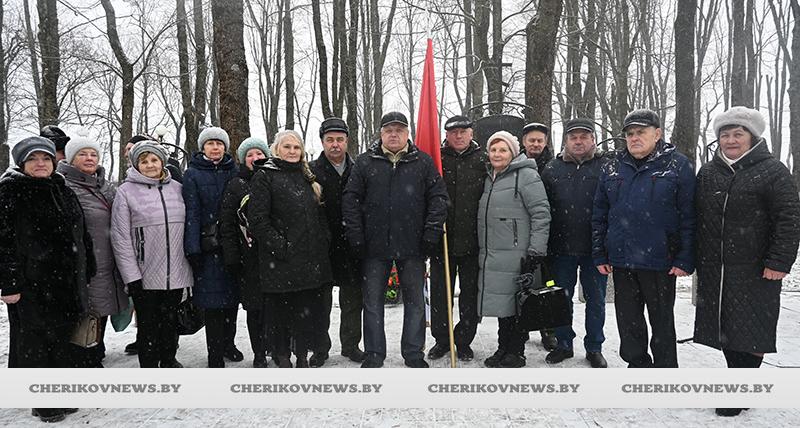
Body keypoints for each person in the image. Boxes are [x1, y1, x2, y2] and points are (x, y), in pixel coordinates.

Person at [694, 107, 800, 417]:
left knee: (754, 329)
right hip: (717, 268)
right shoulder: (709, 172)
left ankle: (741, 388)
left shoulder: (773, 171)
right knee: (727, 327)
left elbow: (789, 219)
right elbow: (696, 217)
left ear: (753, 137)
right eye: (724, 135)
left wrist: (779, 261)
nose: (730, 140)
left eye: (738, 134)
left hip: (757, 267)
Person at [342, 111, 448, 368]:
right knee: (373, 303)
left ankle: (413, 353)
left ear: (407, 133)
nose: (393, 134)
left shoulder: (422, 162)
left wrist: (431, 233)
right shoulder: (366, 163)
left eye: (399, 129)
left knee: (414, 303)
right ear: (381, 133)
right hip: (373, 247)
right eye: (389, 129)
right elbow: (351, 200)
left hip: (413, 246)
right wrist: (356, 235)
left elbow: (438, 199)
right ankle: (374, 353)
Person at [592, 109, 696, 368]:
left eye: (641, 132)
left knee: (661, 320)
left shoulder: (677, 165)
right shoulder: (612, 165)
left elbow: (690, 215)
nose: (635, 138)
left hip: (661, 259)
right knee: (629, 319)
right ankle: (637, 364)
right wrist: (599, 253)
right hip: (622, 258)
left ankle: (664, 370)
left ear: (657, 134)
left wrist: (685, 257)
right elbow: (599, 213)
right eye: (630, 134)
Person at [0, 136, 92, 422]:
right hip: (32, 285)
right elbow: (3, 243)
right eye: (33, 159)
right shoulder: (11, 192)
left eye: (45, 158)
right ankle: (42, 401)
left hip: (65, 282)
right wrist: (9, 282)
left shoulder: (63, 189)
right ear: (22, 163)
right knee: (35, 344)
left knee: (62, 339)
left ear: (54, 162)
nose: (40, 164)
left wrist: (88, 266)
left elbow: (81, 232)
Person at [248, 130, 332, 368]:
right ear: (277, 150)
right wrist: (281, 247)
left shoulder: (307, 177)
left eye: (296, 147)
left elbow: (319, 215)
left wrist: (322, 240)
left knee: (304, 312)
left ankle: (302, 354)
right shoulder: (265, 176)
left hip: (308, 259)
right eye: (287, 147)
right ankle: (282, 354)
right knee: (280, 314)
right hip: (280, 261)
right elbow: (258, 221)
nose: (292, 151)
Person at [111, 141, 193, 368]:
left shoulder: (177, 188)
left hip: (176, 271)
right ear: (136, 165)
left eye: (154, 160)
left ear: (162, 162)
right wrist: (131, 276)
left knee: (169, 321)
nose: (149, 165)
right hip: (144, 273)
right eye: (144, 161)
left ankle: (168, 359)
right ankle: (149, 365)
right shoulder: (125, 192)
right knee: (148, 324)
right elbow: (120, 237)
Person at [478, 131, 551, 368]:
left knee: (517, 305)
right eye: (494, 150)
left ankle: (516, 351)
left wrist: (535, 251)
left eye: (503, 150)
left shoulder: (526, 175)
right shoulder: (491, 177)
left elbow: (541, 213)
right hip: (494, 253)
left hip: (519, 254)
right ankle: (503, 347)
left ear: (513, 152)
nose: (497, 154)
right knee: (503, 306)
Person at [540, 118, 608, 368]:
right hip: (561, 248)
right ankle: (564, 343)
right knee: (561, 300)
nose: (578, 141)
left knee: (596, 300)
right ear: (566, 140)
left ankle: (594, 347)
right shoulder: (552, 169)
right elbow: (542, 208)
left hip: (596, 249)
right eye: (573, 137)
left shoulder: (606, 167)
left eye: (584, 136)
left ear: (593, 139)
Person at [57, 136, 129, 367]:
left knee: (102, 305)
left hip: (109, 259)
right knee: (88, 309)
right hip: (84, 261)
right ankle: (84, 355)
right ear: (70, 158)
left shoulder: (105, 186)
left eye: (93, 154)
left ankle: (95, 348)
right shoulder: (64, 186)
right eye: (82, 154)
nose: (89, 158)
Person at [427, 115, 486, 362]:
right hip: (443, 240)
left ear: (471, 134)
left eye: (463, 132)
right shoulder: (436, 160)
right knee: (441, 295)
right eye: (453, 132)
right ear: (447, 135)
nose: (458, 136)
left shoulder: (483, 160)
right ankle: (443, 339)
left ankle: (463, 340)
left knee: (470, 296)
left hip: (474, 241)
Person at [183, 127, 241, 368]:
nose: (215, 147)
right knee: (213, 303)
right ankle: (214, 351)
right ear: (203, 147)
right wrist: (193, 248)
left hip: (232, 245)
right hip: (208, 248)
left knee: (231, 301)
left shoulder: (233, 171)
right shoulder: (193, 174)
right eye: (210, 143)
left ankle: (229, 343)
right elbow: (192, 213)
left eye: (219, 143)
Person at [310, 117, 365, 366]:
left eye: (339, 139)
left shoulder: (360, 169)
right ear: (322, 142)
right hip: (322, 246)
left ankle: (351, 344)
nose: (335, 145)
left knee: (352, 300)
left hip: (353, 245)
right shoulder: (310, 171)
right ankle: (320, 348)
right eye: (330, 140)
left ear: (347, 141)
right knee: (320, 302)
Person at [220, 136, 271, 368]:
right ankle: (259, 352)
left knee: (277, 307)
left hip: (274, 254)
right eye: (250, 155)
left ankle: (277, 347)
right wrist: (232, 257)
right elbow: (227, 224)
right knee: (255, 308)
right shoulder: (236, 184)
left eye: (259, 153)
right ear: (243, 160)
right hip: (248, 257)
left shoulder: (273, 177)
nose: (255, 158)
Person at [520, 122, 558, 351]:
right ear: (524, 141)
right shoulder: (516, 165)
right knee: (523, 283)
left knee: (549, 284)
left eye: (539, 140)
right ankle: (522, 325)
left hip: (551, 237)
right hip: (522, 235)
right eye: (531, 140)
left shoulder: (554, 167)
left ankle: (548, 329)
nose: (535, 144)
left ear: (545, 142)